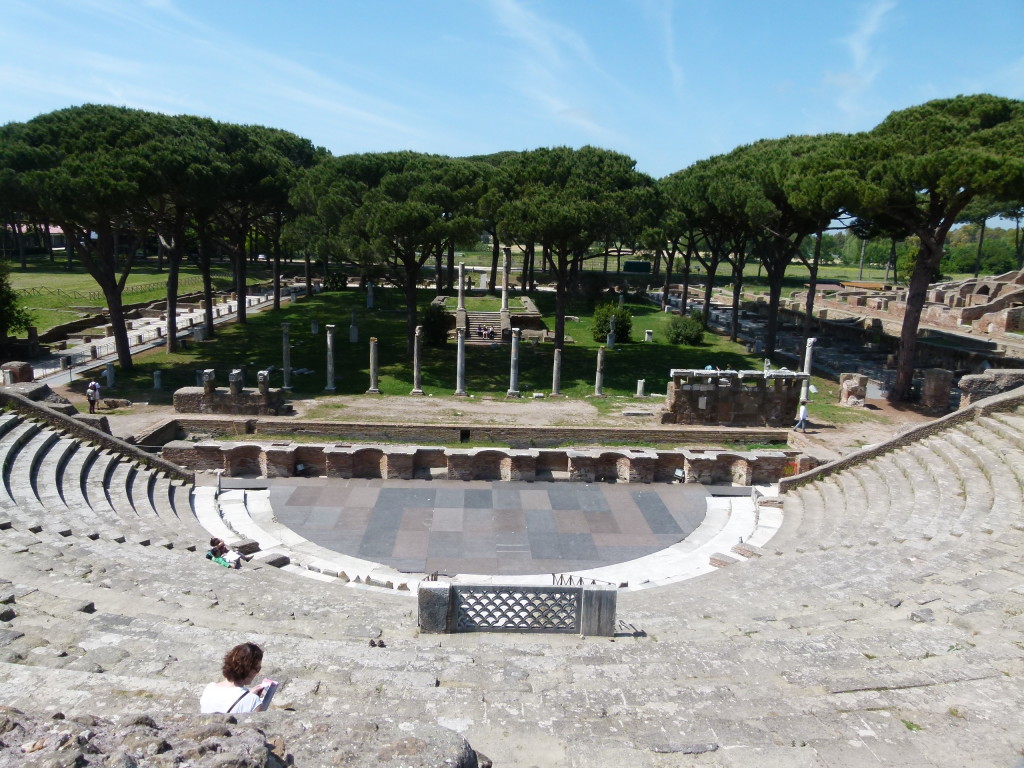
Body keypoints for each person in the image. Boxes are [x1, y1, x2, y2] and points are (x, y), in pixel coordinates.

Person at [199, 642, 271, 714]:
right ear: (248, 670)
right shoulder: (253, 701)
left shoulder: (209, 688)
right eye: (257, 668)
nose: (257, 673)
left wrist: (248, 694)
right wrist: (254, 699)